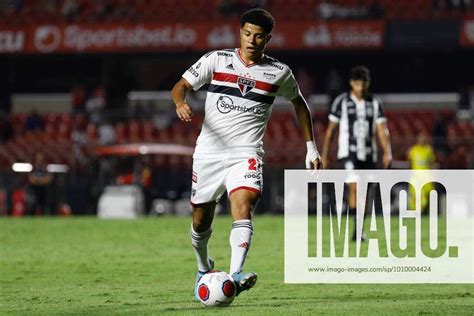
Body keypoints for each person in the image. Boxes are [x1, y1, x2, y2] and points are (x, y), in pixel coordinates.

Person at [171, 8, 322, 300]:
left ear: (268, 39)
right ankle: (204, 268)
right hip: (209, 154)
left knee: (244, 205)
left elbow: (299, 103)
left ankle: (236, 274)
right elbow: (180, 86)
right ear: (240, 33)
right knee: (201, 220)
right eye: (247, 33)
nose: (252, 40)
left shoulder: (279, 72)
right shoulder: (217, 60)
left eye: (259, 36)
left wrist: (311, 147)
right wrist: (180, 102)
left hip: (247, 153)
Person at [321, 66, 392, 240]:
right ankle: (357, 228)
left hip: (369, 154)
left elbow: (382, 129)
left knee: (367, 192)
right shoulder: (341, 102)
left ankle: (358, 229)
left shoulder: (374, 103)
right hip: (348, 153)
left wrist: (387, 152)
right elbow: (331, 130)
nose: (362, 87)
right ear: (352, 83)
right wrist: (324, 154)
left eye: (364, 83)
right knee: (355, 187)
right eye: (359, 83)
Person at [407, 132, 436, 213]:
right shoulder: (413, 150)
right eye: (421, 137)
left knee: (428, 194)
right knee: (415, 195)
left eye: (424, 137)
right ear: (418, 139)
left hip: (426, 177)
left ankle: (424, 211)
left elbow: (431, 163)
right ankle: (413, 211)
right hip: (416, 177)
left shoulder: (429, 150)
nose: (422, 139)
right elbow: (409, 163)